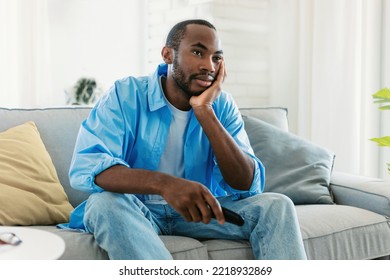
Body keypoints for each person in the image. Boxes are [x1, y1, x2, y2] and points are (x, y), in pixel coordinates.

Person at [64, 19, 307, 260]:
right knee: (103, 204)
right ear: (168, 55)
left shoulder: (221, 105)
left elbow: (245, 183)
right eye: (198, 52)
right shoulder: (125, 94)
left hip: (201, 215)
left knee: (278, 206)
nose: (209, 66)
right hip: (138, 211)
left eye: (216, 58)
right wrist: (165, 184)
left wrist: (205, 112)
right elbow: (90, 167)